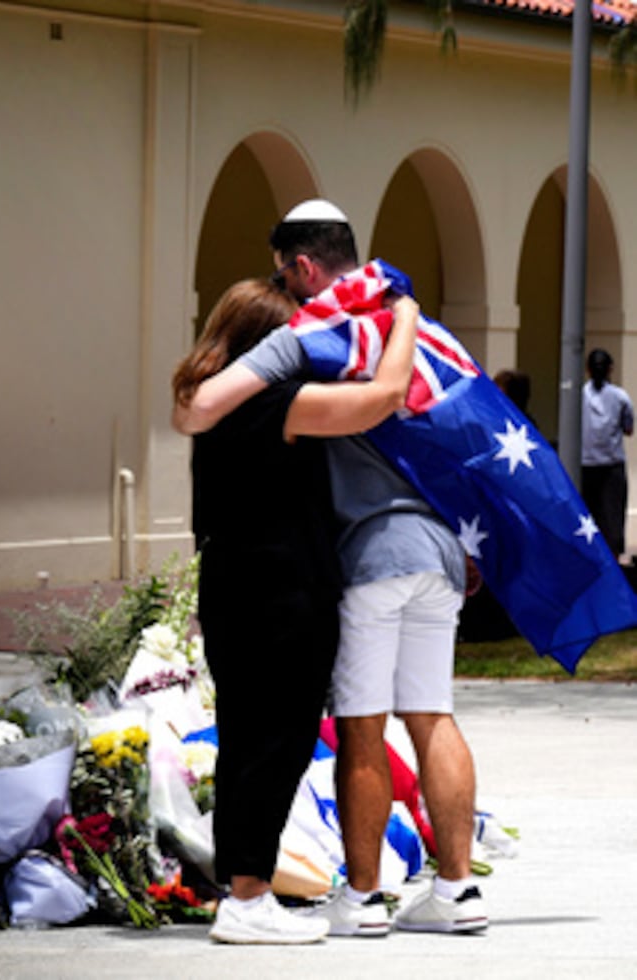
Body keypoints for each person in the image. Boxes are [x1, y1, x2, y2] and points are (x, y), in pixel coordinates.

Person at [174, 199, 488, 937]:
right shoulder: (288, 400)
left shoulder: (231, 406)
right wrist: (405, 311)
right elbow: (382, 398)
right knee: (410, 721)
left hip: (286, 576)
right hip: (355, 574)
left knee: (317, 733)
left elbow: (194, 409)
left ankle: (347, 898)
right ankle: (446, 889)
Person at [172, 274, 418, 944]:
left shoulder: (217, 406)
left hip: (233, 585)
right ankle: (248, 898)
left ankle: (244, 890)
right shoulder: (272, 404)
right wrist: (404, 323)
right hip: (282, 591)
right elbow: (380, 401)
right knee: (274, 743)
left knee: (248, 739)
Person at [581, 348, 634, 561]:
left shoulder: (578, 394)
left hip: (584, 464)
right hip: (612, 464)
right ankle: (613, 561)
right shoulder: (621, 397)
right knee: (612, 517)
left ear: (587, 370)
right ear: (611, 369)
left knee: (587, 517)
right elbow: (629, 429)